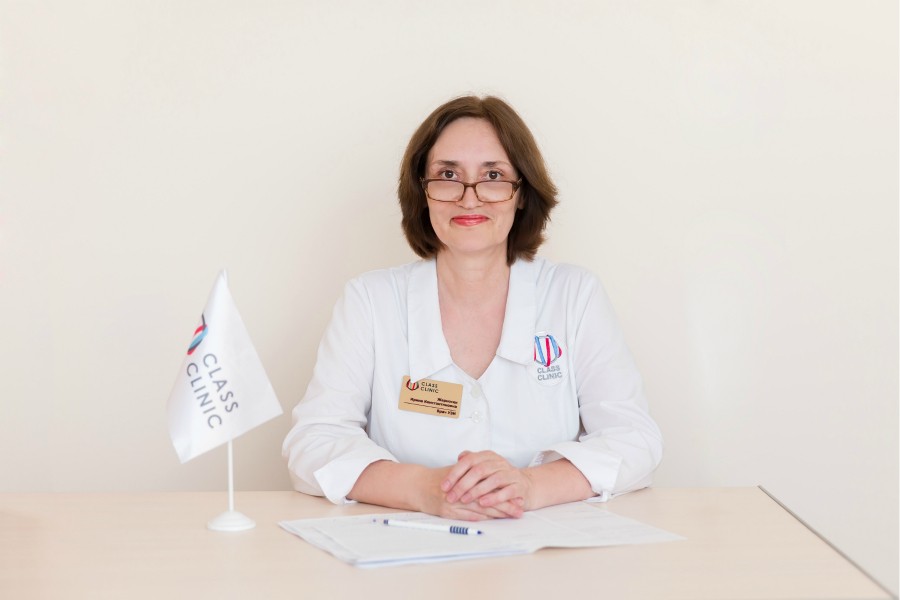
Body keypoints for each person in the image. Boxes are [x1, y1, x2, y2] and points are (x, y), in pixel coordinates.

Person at [283, 95, 662, 521]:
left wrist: (528, 486)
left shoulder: (574, 295)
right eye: (448, 175)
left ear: (522, 194)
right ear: (423, 192)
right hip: (410, 550)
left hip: (543, 550)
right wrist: (424, 489)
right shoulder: (370, 301)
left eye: (493, 175)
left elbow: (635, 440)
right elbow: (313, 442)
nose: (469, 198)